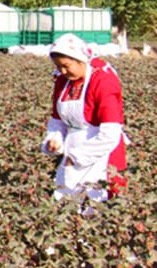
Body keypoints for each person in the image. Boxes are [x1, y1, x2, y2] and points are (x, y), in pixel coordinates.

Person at [40, 33, 128, 203]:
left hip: (101, 151)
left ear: (80, 59)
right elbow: (58, 120)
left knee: (95, 201)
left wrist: (76, 157)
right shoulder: (62, 81)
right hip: (73, 148)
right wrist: (55, 139)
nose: (63, 71)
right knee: (67, 200)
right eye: (58, 67)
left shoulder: (103, 81)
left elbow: (111, 133)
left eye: (66, 66)